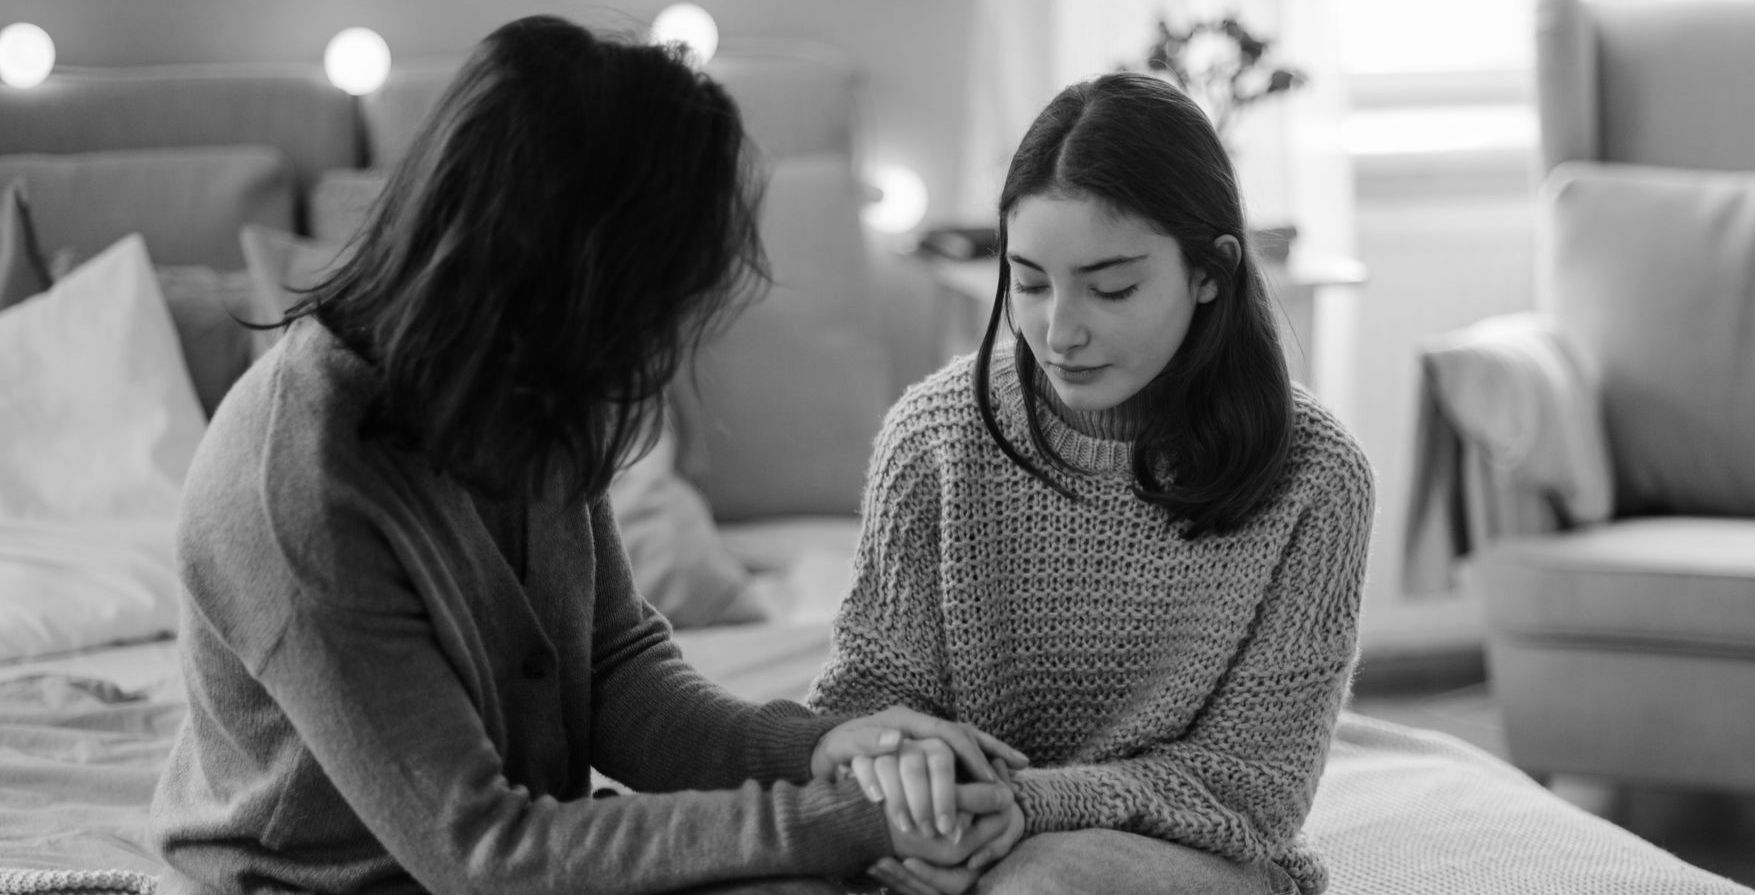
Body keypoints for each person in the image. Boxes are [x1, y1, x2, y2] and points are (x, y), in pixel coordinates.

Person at [149, 16, 1027, 895]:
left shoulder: (524, 394)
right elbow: (485, 851)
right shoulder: (300, 482)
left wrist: (817, 748)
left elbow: (612, 672)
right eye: (659, 302)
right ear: (572, 279)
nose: (668, 344)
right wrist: (844, 820)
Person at [808, 71, 1374, 895]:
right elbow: (869, 700)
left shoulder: (1317, 478)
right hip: (957, 834)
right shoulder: (933, 438)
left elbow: (1253, 786)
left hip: (1170, 849)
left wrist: (1030, 803)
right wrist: (914, 781)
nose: (1059, 331)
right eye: (1030, 282)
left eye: (1112, 289)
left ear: (1210, 272)